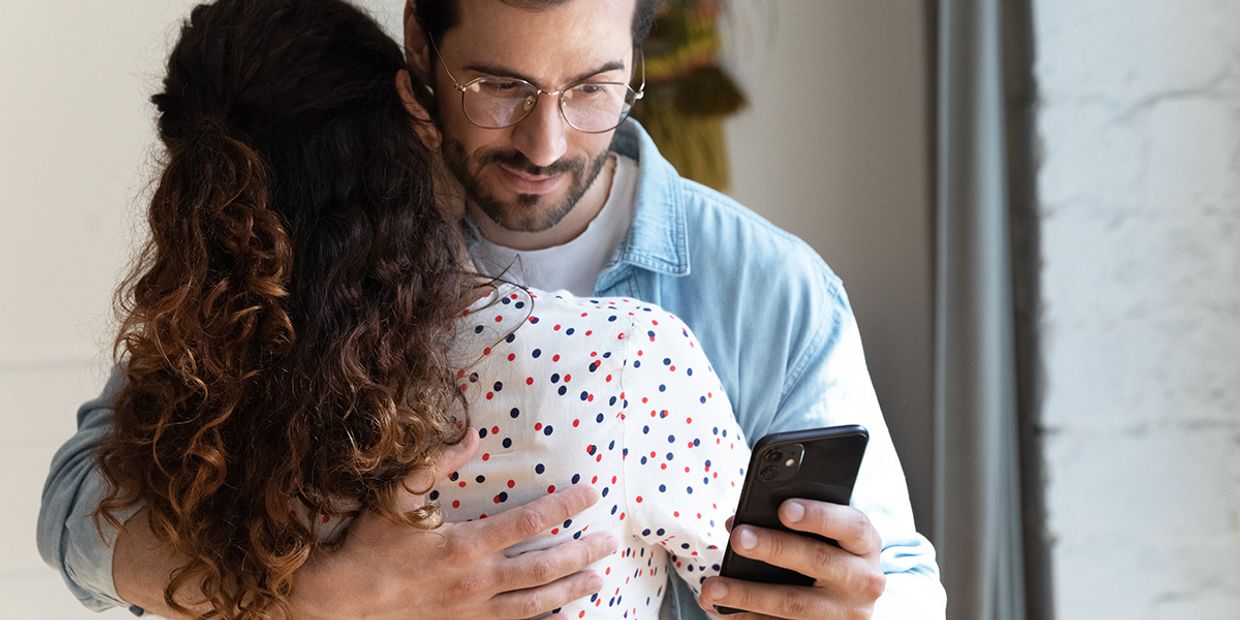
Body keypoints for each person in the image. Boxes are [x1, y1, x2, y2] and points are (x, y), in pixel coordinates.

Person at [39, 0, 946, 618]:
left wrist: (856, 600)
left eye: (593, 89)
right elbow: (77, 510)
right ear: (419, 55)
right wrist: (321, 595)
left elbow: (904, 587)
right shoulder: (293, 251)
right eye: (500, 87)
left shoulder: (770, 288)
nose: (546, 142)